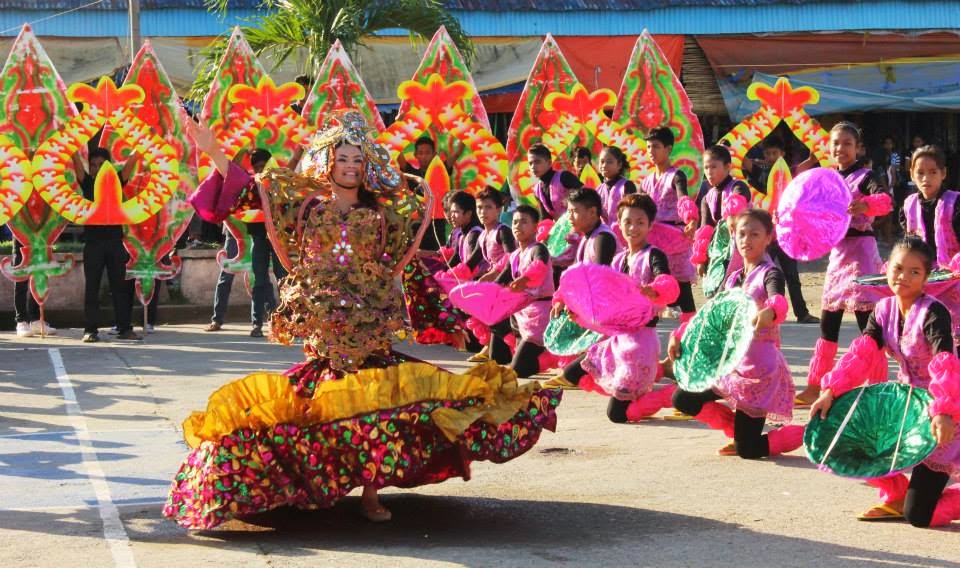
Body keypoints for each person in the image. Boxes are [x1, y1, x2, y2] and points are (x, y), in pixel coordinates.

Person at [165, 110, 560, 528]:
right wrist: (214, 153)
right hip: (325, 319)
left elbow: (401, 260)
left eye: (357, 159)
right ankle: (315, 484)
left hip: (369, 318)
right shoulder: (305, 204)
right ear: (328, 162)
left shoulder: (382, 209)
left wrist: (436, 312)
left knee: (376, 408)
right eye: (343, 159)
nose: (351, 166)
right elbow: (250, 192)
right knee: (323, 408)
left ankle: (370, 494)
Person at [810, 238, 960, 526]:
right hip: (905, 407)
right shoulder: (883, 310)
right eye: (898, 268)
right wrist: (831, 390)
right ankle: (898, 493)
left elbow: (945, 364)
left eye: (914, 272)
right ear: (886, 268)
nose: (903, 277)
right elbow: (862, 355)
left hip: (943, 407)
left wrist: (943, 412)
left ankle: (918, 500)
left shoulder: (933, 312)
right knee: (856, 438)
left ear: (926, 278)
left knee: (919, 516)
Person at [669, 209, 804, 458]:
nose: (746, 240)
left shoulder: (770, 273)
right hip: (730, 366)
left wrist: (770, 313)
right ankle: (738, 430)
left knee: (748, 451)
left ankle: (805, 432)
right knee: (683, 398)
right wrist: (680, 334)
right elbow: (709, 316)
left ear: (768, 238)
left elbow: (778, 300)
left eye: (754, 234)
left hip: (758, 372)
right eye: (741, 234)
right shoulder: (732, 280)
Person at [548, 194, 680, 421]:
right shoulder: (619, 260)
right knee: (573, 373)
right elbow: (601, 294)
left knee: (617, 415)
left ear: (650, 225)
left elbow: (667, 281)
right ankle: (651, 380)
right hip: (617, 340)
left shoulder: (653, 255)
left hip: (640, 343)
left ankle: (674, 395)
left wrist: (655, 289)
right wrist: (573, 308)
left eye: (640, 223)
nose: (633, 228)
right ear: (620, 224)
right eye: (628, 222)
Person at [798, 122, 892, 405]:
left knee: (868, 327)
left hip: (862, 253)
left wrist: (866, 205)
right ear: (829, 147)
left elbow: (886, 200)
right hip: (837, 256)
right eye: (836, 143)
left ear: (858, 148)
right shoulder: (827, 179)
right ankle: (815, 385)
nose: (841, 148)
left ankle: (878, 389)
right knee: (828, 324)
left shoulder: (865, 177)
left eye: (847, 143)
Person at [204, 149, 286, 337]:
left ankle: (284, 320)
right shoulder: (249, 184)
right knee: (256, 280)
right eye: (256, 167)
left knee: (283, 279)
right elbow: (229, 172)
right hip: (245, 236)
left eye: (263, 166)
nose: (260, 170)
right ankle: (255, 323)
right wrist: (242, 149)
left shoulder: (279, 183)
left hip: (275, 239)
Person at [743, 138, 819, 324]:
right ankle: (753, 312)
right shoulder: (761, 172)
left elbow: (810, 162)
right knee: (757, 275)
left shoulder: (788, 172)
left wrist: (814, 138)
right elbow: (741, 160)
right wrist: (737, 142)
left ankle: (802, 313)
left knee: (792, 276)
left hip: (785, 235)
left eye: (774, 153)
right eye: (768, 154)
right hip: (764, 236)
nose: (770, 157)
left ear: (782, 155)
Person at [75, 148, 141, 343]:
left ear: (109, 167)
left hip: (115, 244)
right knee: (92, 288)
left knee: (121, 287)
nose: (96, 168)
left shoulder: (117, 182)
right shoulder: (87, 182)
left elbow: (132, 160)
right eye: (93, 165)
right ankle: (90, 330)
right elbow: (75, 159)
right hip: (93, 245)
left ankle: (124, 328)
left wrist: (146, 138)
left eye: (101, 164)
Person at [487, 204, 555, 377]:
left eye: (524, 222)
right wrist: (481, 293)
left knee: (518, 370)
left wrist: (524, 279)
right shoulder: (516, 254)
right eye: (515, 222)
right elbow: (500, 280)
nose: (517, 226)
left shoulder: (538, 249)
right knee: (496, 355)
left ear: (535, 227)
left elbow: (539, 266)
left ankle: (548, 357)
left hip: (539, 315)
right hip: (520, 314)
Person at [641, 127, 699, 322]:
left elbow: (683, 197)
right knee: (652, 284)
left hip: (674, 238)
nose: (651, 151)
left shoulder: (676, 175)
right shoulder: (646, 181)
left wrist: (690, 218)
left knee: (682, 287)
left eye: (656, 146)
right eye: (648, 146)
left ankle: (690, 326)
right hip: (653, 238)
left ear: (668, 149)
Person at [397, 136, 461, 251]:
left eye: (427, 153)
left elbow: (457, 153)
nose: (424, 156)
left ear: (434, 154)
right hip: (415, 225)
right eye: (420, 153)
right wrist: (400, 123)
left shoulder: (441, 169)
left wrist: (471, 127)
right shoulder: (411, 172)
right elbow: (396, 151)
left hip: (437, 225)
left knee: (437, 259)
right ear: (415, 155)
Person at [12, 239, 57, 337]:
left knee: (40, 278)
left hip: (41, 234)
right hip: (21, 232)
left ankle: (35, 320)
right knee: (21, 279)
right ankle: (21, 321)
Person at [528, 143, 583, 221]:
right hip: (560, 229)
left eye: (537, 162)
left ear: (549, 163)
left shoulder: (564, 177)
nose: (533, 167)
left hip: (579, 225)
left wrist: (572, 197)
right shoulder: (537, 190)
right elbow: (546, 218)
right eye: (530, 163)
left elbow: (586, 195)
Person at [596, 145, 636, 224]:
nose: (604, 165)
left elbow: (633, 212)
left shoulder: (626, 186)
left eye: (610, 162)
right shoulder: (598, 190)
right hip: (605, 233)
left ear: (619, 165)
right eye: (602, 161)